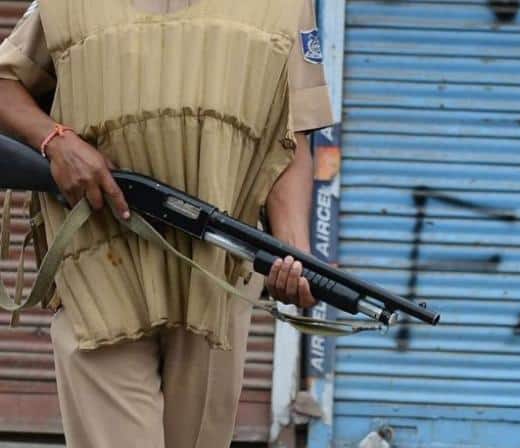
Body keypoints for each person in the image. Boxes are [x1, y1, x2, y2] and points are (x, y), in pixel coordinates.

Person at [0, 0, 334, 446]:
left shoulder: (283, 7)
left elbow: (291, 137)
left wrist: (293, 254)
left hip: (213, 278)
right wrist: (55, 141)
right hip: (99, 266)